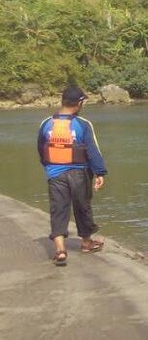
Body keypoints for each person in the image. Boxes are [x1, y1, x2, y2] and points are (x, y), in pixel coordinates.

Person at [37, 85, 108, 266]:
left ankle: (60, 250)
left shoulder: (46, 123)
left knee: (58, 209)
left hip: (55, 173)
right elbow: (92, 151)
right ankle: (86, 243)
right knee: (82, 207)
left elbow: (41, 149)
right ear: (79, 103)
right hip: (79, 172)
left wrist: (49, 168)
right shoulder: (83, 124)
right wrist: (99, 172)